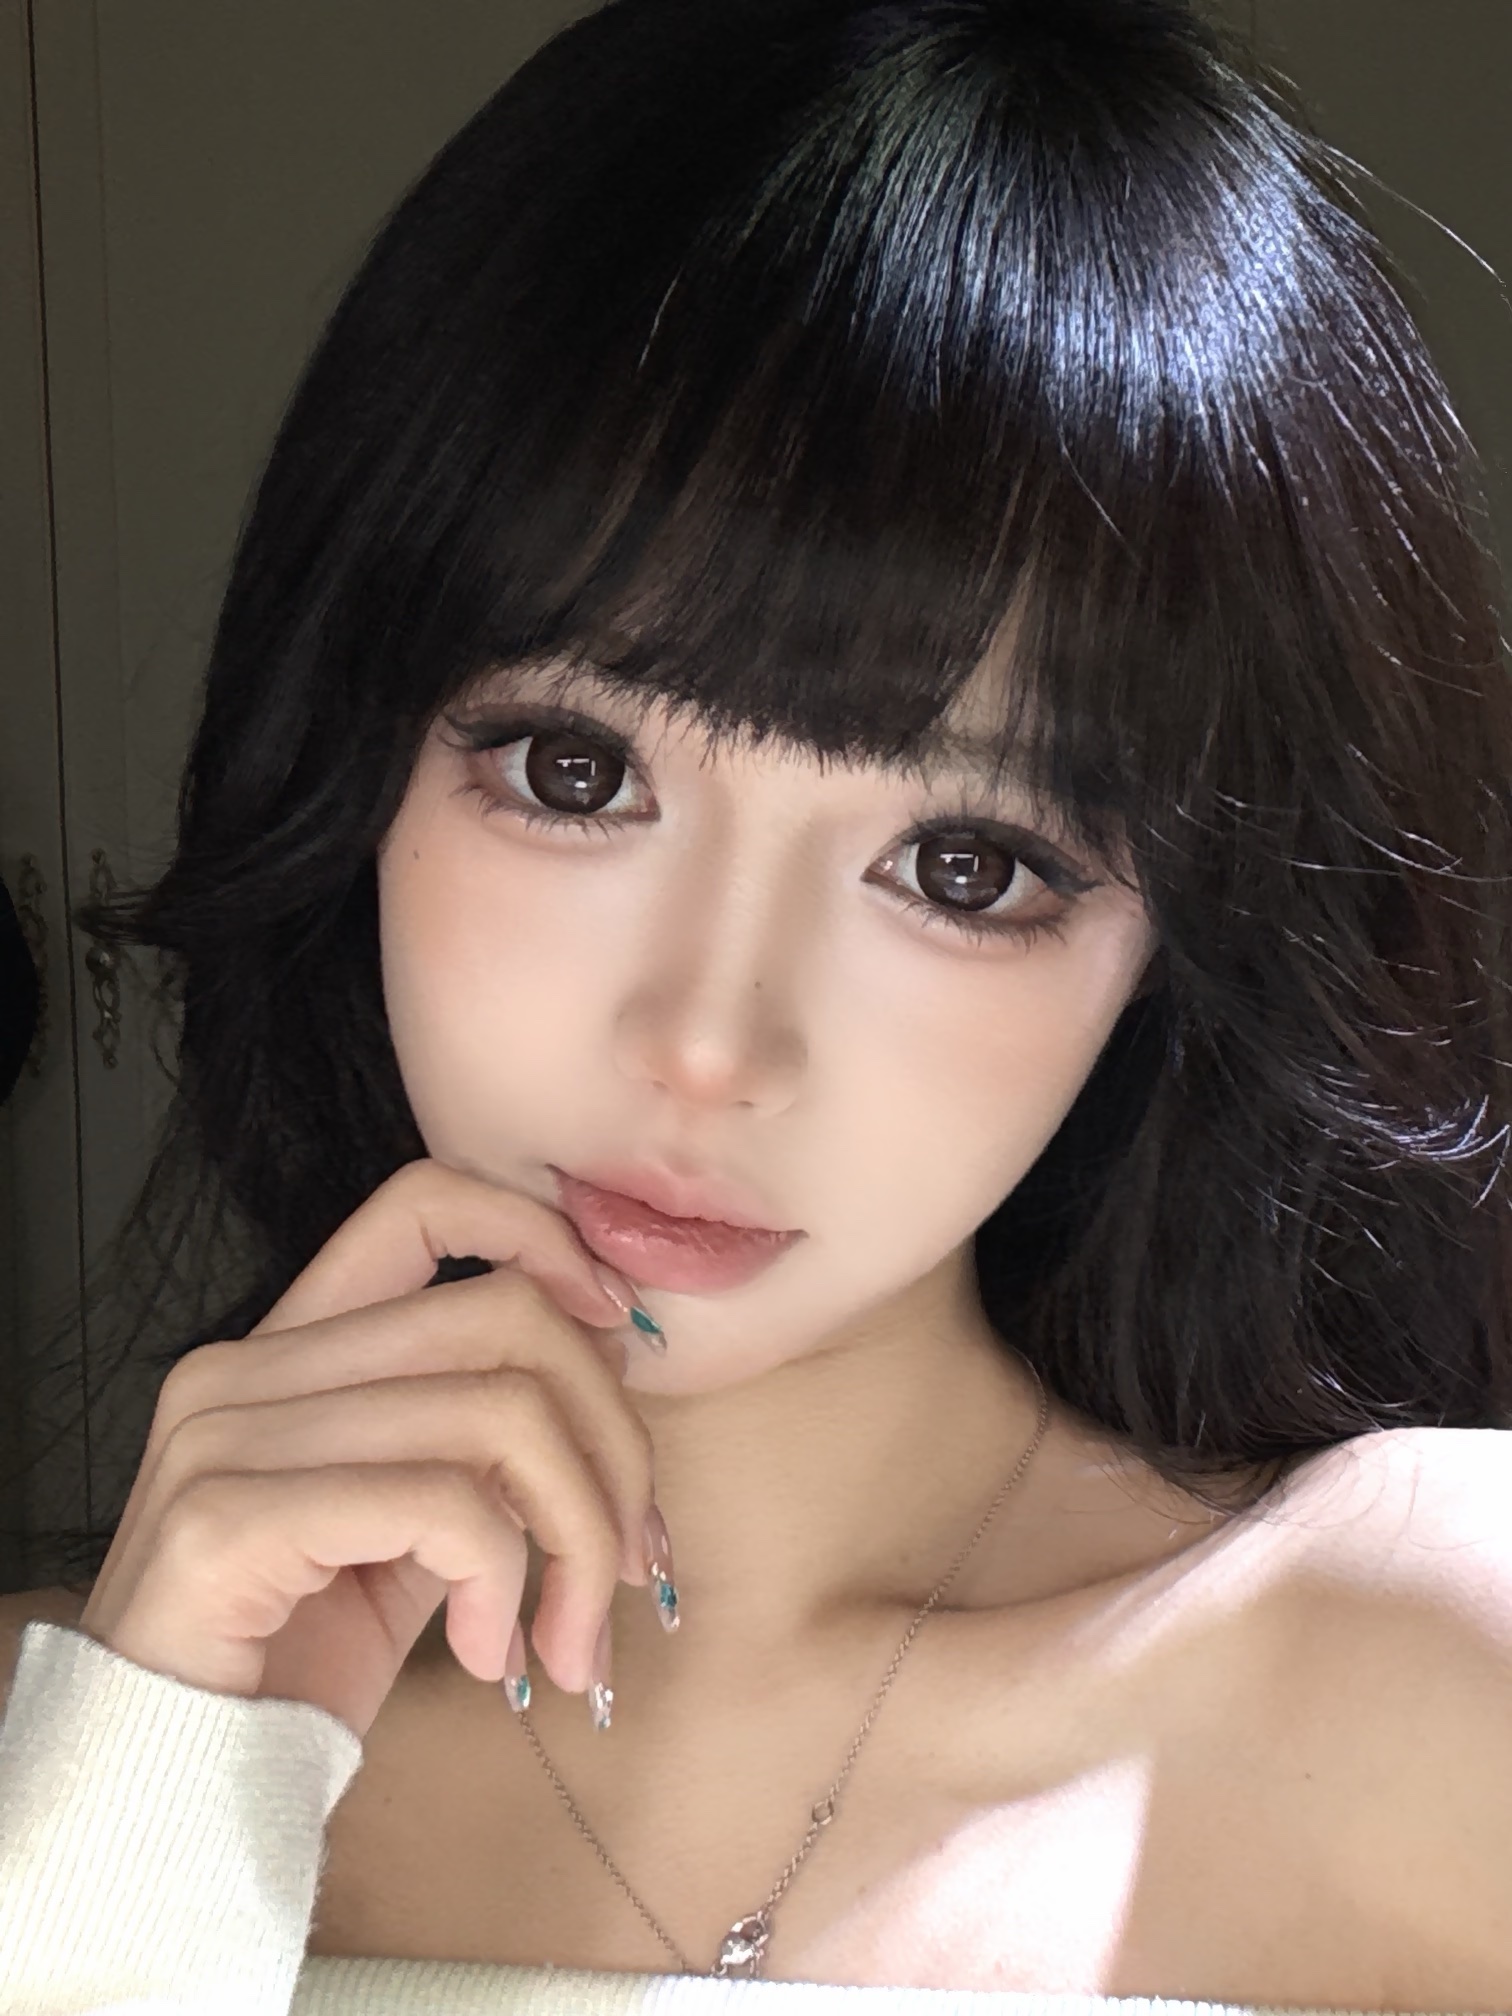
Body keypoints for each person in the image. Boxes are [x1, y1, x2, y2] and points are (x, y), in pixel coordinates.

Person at [1, 0, 1509, 2010]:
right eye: (574, 772)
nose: (708, 1047)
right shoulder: (78, 1740)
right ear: (355, 753)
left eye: (963, 866)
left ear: (1177, 942)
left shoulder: (1430, 1668)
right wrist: (139, 1804)